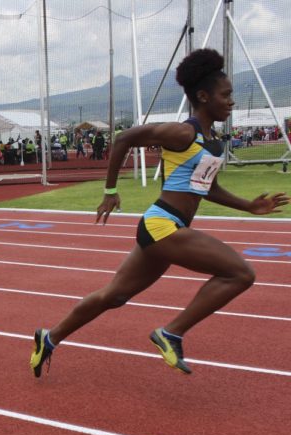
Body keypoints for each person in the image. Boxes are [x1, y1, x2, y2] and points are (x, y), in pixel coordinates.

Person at [30, 49, 289, 378]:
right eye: (226, 95)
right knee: (240, 274)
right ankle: (172, 332)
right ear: (203, 96)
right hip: (162, 225)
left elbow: (206, 188)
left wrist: (249, 206)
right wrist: (110, 191)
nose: (231, 102)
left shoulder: (212, 142)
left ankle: (48, 338)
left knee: (115, 295)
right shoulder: (184, 133)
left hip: (167, 228)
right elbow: (124, 137)